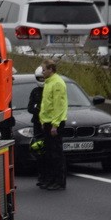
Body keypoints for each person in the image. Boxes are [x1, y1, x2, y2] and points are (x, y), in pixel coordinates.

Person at [37, 59, 67, 190]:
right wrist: (43, 121)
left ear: (51, 70)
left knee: (56, 154)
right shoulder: (48, 83)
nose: (42, 72)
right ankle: (50, 179)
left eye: (44, 69)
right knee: (48, 153)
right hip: (48, 121)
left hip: (55, 122)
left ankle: (59, 181)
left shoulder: (57, 83)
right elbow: (46, 104)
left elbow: (59, 106)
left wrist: (55, 124)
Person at [27, 66, 48, 187]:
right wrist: (37, 110)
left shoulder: (50, 89)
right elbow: (30, 107)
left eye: (43, 77)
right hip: (37, 125)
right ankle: (41, 177)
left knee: (49, 152)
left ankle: (49, 176)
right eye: (40, 78)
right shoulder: (35, 92)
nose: (42, 79)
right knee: (39, 151)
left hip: (48, 124)